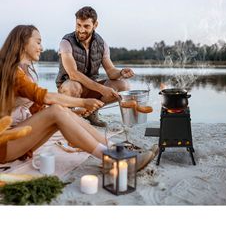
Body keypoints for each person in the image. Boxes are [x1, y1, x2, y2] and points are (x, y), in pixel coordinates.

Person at [0, 25, 158, 170]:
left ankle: (119, 152)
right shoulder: (13, 73)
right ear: (22, 42)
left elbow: (37, 110)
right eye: (38, 42)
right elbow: (46, 97)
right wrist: (83, 101)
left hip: (21, 140)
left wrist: (72, 113)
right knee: (56, 110)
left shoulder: (25, 72)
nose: (41, 48)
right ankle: (114, 160)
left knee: (59, 110)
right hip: (5, 145)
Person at [56, 6, 135, 127]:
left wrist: (120, 73)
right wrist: (102, 89)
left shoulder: (101, 43)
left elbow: (110, 71)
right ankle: (69, 116)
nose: (81, 30)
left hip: (91, 88)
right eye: (78, 25)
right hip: (69, 87)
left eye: (86, 26)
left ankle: (91, 112)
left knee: (123, 85)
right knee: (73, 86)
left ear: (95, 25)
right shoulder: (66, 42)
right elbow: (73, 73)